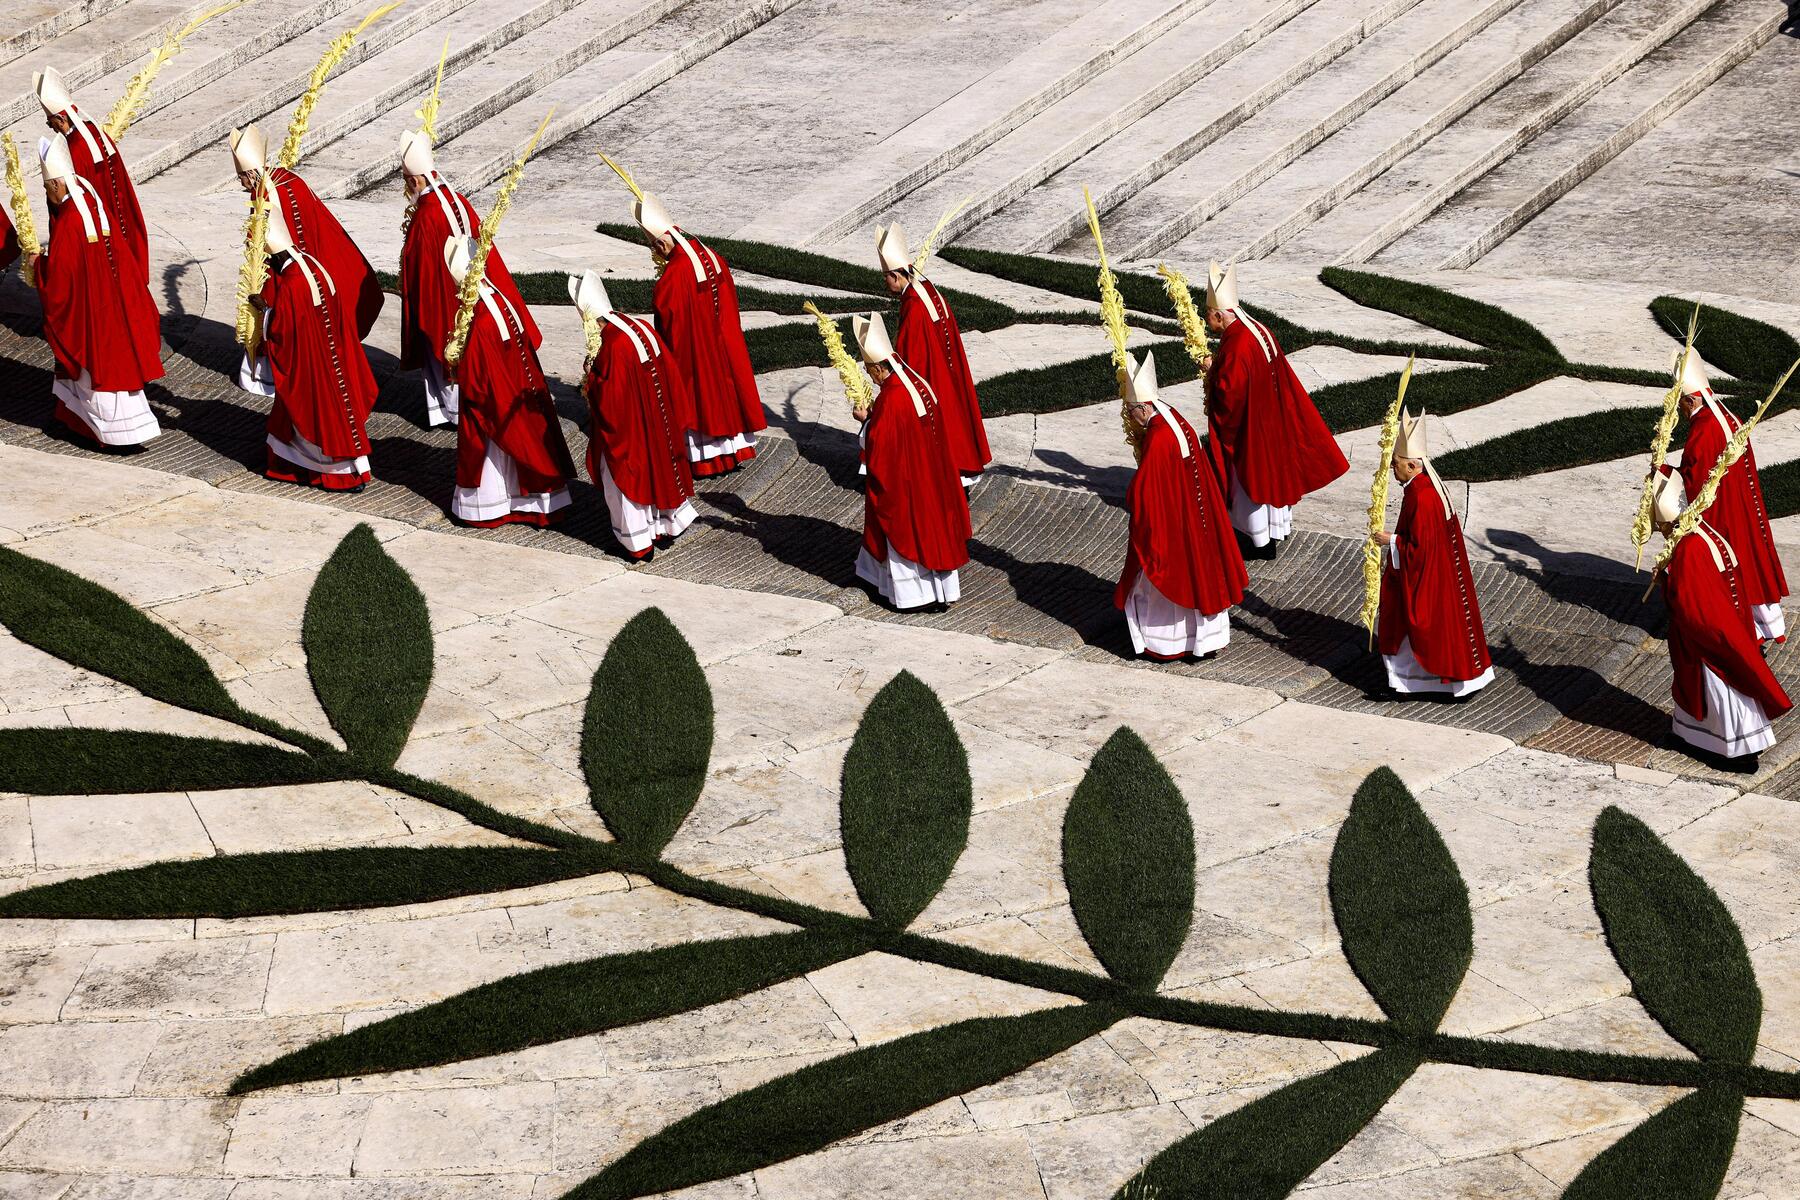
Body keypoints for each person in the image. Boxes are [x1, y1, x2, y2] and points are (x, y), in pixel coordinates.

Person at [1202, 260, 1348, 557]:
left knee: (1249, 487)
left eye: (1208, 315)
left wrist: (1210, 372)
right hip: (1270, 420)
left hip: (1250, 431)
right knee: (1271, 478)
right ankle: (1274, 530)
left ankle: (1256, 542)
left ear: (1219, 314)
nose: (1207, 321)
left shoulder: (1238, 345)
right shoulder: (1256, 328)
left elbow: (1229, 396)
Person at [396, 128, 538, 427]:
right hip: (472, 283)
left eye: (407, 183)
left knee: (442, 338)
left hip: (444, 291)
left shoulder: (427, 214)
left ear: (415, 180)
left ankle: (452, 411)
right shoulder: (457, 198)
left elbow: (418, 262)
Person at [29, 132, 162, 447]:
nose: (47, 194)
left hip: (91, 317)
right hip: (114, 305)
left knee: (94, 377)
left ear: (57, 184)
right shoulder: (90, 201)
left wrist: (37, 266)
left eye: (47, 187)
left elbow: (60, 283)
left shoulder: (70, 223)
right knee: (117, 370)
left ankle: (110, 436)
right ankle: (90, 424)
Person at [229, 124, 382, 394]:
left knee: (280, 319)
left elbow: (260, 243)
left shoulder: (261, 194)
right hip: (310, 264)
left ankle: (268, 376)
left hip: (282, 269)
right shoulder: (289, 179)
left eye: (241, 176)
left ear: (251, 174)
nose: (240, 183)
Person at [1651, 470, 1791, 762]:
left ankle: (1736, 752)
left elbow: (1690, 606)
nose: (1661, 530)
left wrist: (1667, 583)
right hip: (1730, 625)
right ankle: (1693, 737)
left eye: (1660, 524)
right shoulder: (1704, 531)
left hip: (1709, 640)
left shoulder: (1688, 548)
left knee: (1721, 692)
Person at [1114, 353, 1247, 660]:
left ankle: (1167, 643)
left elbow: (1146, 490)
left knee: (1164, 582)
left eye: (1132, 411)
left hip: (1174, 522)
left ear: (1144, 406)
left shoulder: (1160, 437)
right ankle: (1203, 641)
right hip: (1196, 516)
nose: (1132, 417)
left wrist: (1133, 493)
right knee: (1201, 577)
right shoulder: (1173, 415)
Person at [442, 235, 576, 527]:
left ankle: (489, 508)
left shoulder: (481, 316)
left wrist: (457, 369)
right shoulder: (498, 297)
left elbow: (477, 378)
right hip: (515, 386)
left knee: (493, 455)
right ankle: (532, 504)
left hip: (496, 397)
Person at [631, 188, 765, 476]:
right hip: (724, 342)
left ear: (661, 244)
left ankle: (708, 462)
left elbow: (669, 322)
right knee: (726, 394)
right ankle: (731, 454)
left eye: (655, 247)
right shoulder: (710, 254)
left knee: (701, 399)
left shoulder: (674, 275)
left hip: (697, 351)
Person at [571, 269, 697, 558]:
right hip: (658, 420)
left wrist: (591, 377)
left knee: (620, 478)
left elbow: (611, 400)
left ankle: (637, 543)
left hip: (632, 432)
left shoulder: (614, 344)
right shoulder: (638, 325)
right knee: (659, 471)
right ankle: (664, 526)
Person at [852, 311, 971, 609]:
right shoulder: (917, 381)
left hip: (908, 486)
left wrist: (866, 422)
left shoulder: (891, 400)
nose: (870, 377)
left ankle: (913, 597)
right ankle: (935, 592)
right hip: (933, 478)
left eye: (870, 371)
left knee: (908, 536)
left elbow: (880, 448)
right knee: (933, 534)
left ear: (879, 368)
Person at [253, 203, 376, 491]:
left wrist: (264, 312)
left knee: (315, 422)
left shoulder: (293, 284)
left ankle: (340, 475)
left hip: (312, 367)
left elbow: (283, 331)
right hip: (334, 360)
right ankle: (295, 466)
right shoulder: (313, 264)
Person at [1373, 409, 1493, 697]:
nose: (1392, 467)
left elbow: (1421, 549)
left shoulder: (1423, 497)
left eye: (1397, 462)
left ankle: (1407, 684)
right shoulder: (1424, 488)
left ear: (1414, 465)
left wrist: (1392, 541)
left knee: (1409, 627)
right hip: (1438, 575)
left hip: (1425, 578)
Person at [1674, 348, 1788, 642]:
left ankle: (1747, 628)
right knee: (1751, 556)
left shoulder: (1704, 429)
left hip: (1721, 511)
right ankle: (1769, 624)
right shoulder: (1726, 414)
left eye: (1681, 405)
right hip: (1740, 502)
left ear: (1691, 399)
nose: (1680, 412)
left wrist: (1668, 476)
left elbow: (1694, 477)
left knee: (1731, 563)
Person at [877, 221, 990, 488]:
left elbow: (910, 353)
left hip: (932, 373)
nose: (885, 283)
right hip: (946, 368)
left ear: (895, 275)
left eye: (885, 277)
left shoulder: (914, 306)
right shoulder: (924, 286)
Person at [34, 67, 148, 287]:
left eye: (50, 121)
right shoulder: (94, 133)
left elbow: (71, 193)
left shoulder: (76, 148)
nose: (50, 126)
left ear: (60, 118)